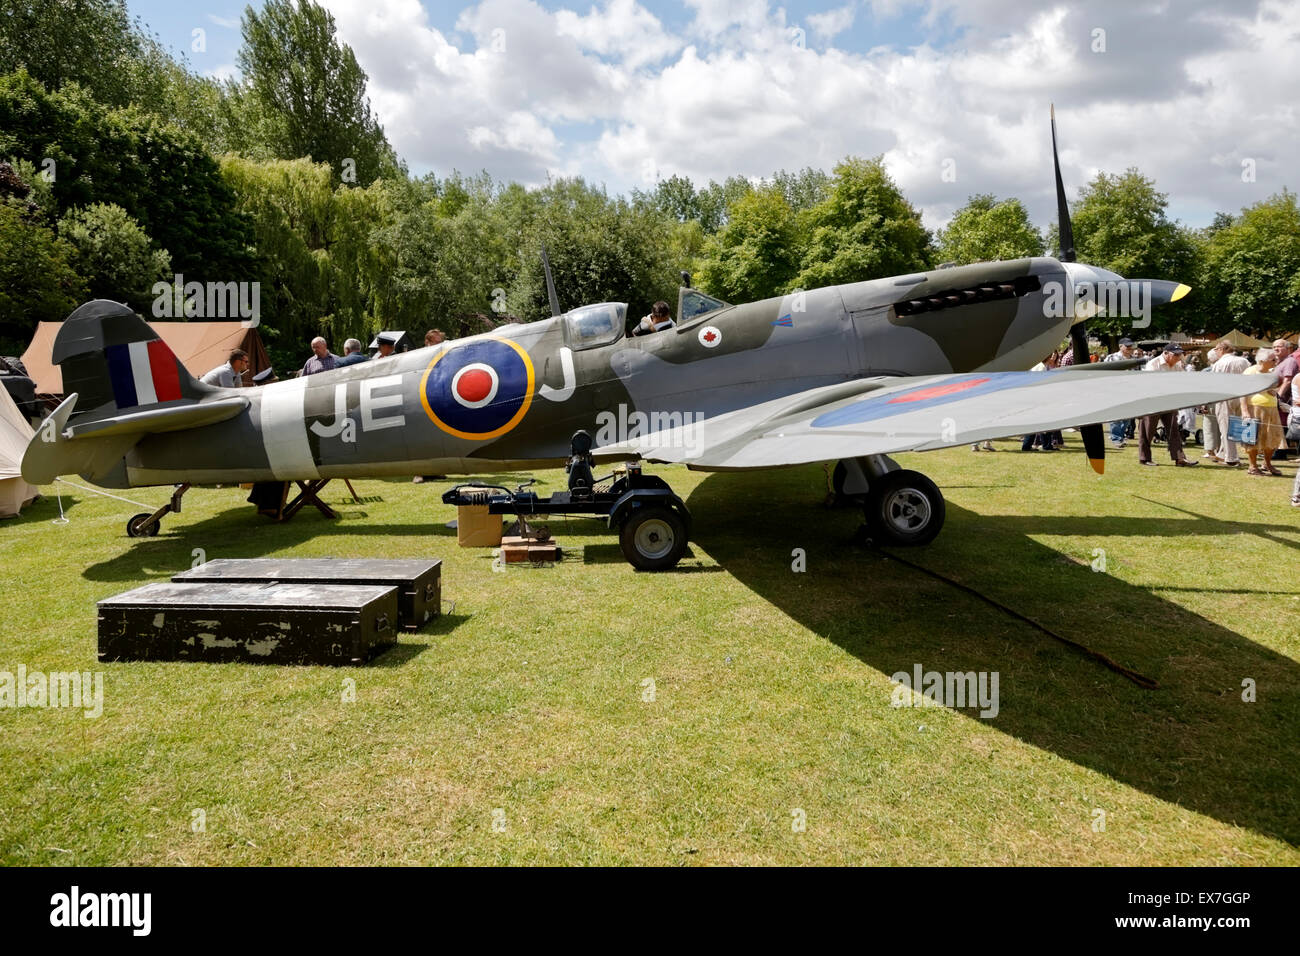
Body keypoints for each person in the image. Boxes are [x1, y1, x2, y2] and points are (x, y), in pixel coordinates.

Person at [1137, 344, 1197, 467]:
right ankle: (1144, 458)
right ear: (1165, 353)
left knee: (1174, 430)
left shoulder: (1177, 365)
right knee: (1147, 431)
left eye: (1180, 354)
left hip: (1169, 402)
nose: (1178, 357)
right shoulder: (1153, 364)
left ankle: (1180, 458)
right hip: (1152, 401)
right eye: (1175, 354)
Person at [1241, 347, 1282, 477]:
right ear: (1262, 360)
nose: (1276, 361)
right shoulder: (1250, 372)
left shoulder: (1272, 372)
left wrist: (1273, 391)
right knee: (1253, 438)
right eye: (1273, 359)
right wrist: (1244, 410)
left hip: (1271, 409)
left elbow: (1273, 389)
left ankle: (1267, 463)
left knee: (1272, 438)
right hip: (1255, 408)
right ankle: (1252, 466)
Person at [1211, 342, 1251, 467]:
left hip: (1225, 396)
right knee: (1239, 426)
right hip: (1243, 396)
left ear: (1222, 349)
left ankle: (1231, 458)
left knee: (1226, 427)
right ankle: (1223, 453)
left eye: (1216, 349)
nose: (1215, 352)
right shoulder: (1244, 361)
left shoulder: (1219, 364)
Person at [1103, 338, 1137, 447]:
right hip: (1115, 391)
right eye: (1127, 346)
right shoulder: (1111, 358)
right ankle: (1116, 438)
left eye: (1131, 346)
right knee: (1116, 416)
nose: (1129, 348)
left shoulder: (1135, 360)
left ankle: (1120, 436)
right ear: (1120, 346)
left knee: (1127, 417)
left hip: (1130, 392)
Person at [1199, 343, 1224, 461]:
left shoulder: (1206, 371)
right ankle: (1220, 450)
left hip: (1209, 401)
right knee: (1220, 427)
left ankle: (1210, 451)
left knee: (1209, 425)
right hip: (1222, 400)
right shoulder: (1224, 369)